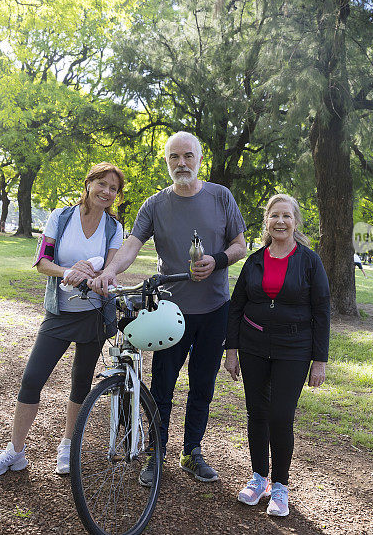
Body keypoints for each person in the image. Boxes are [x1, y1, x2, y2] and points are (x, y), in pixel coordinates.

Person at [91, 131, 247, 486]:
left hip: (214, 309)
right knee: (162, 386)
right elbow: (131, 245)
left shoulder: (221, 197)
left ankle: (192, 452)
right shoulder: (155, 204)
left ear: (199, 159)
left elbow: (240, 245)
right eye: (174, 157)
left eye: (188, 156)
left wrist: (217, 260)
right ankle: (155, 455)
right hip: (168, 311)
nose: (181, 163)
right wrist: (111, 270)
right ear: (167, 162)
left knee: (203, 386)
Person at [0, 162, 125, 477]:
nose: (107, 192)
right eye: (102, 184)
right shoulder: (61, 217)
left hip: (94, 314)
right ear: (88, 184)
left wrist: (94, 266)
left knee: (80, 383)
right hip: (60, 314)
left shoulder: (114, 227)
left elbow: (111, 270)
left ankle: (68, 446)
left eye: (113, 188)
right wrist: (68, 271)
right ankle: (15, 452)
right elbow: (42, 262)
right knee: (32, 379)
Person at [224, 194, 330, 517]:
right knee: (256, 412)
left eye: (286, 216)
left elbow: (322, 310)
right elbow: (236, 306)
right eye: (274, 216)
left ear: (295, 221)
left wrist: (319, 360)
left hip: (294, 349)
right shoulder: (254, 261)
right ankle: (259, 478)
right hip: (253, 346)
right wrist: (231, 351)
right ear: (267, 222)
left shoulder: (310, 262)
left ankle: (280, 487)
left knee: (281, 416)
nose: (280, 221)